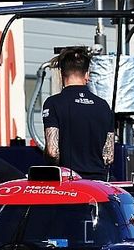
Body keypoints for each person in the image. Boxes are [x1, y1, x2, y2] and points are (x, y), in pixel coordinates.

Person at [42, 47, 115, 180]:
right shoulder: (103, 106)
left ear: (61, 74)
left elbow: (53, 152)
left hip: (68, 183)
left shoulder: (53, 103)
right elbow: (108, 157)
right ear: (87, 75)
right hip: (97, 184)